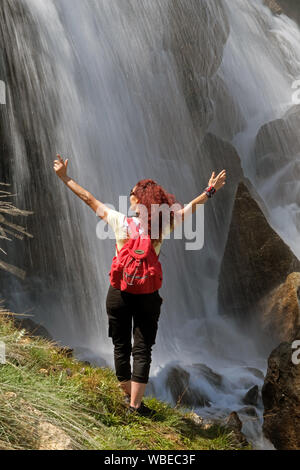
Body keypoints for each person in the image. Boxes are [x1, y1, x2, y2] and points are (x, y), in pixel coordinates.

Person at [53, 154, 226, 416]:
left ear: (137, 201)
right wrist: (210, 190)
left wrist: (64, 177)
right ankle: (136, 405)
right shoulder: (162, 226)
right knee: (143, 349)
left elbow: (88, 198)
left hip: (119, 292)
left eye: (131, 193)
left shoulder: (120, 222)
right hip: (148, 295)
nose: (129, 195)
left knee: (120, 344)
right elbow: (191, 207)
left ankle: (126, 396)